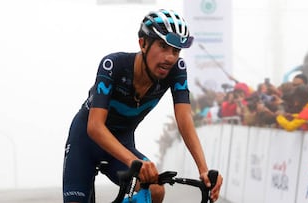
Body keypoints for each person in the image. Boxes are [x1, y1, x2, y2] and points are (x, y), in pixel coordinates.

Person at [62, 9, 223, 203]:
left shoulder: (176, 71)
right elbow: (95, 127)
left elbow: (184, 119)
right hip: (85, 143)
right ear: (143, 44)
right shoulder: (113, 64)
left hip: (122, 144)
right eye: (163, 46)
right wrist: (132, 160)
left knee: (156, 190)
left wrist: (203, 170)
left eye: (176, 50)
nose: (170, 57)